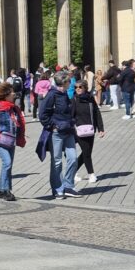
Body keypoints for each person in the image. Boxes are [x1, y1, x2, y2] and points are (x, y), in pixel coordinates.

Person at [38, 71, 79, 199]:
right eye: (69, 81)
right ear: (64, 82)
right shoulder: (52, 95)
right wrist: (53, 125)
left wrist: (72, 122)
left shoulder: (65, 93)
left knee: (73, 158)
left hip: (68, 131)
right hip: (56, 133)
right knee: (57, 162)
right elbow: (42, 114)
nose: (70, 83)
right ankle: (58, 188)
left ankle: (68, 186)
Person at [0, 81, 26, 200]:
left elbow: (20, 123)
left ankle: (2, 190)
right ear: (5, 94)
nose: (14, 94)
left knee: (8, 164)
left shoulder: (14, 108)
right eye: (12, 92)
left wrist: (21, 137)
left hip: (11, 140)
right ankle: (6, 191)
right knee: (7, 162)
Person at [73, 82, 104, 184]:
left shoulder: (90, 99)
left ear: (85, 88)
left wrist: (100, 128)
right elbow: (70, 116)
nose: (78, 89)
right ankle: (91, 174)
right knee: (86, 152)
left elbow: (96, 113)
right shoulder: (73, 100)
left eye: (80, 87)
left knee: (87, 152)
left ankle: (72, 171)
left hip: (90, 130)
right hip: (79, 130)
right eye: (76, 87)